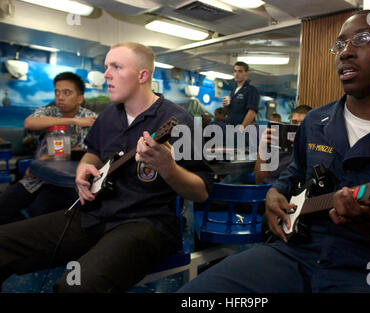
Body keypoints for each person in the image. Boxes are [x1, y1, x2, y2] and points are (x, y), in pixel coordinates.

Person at [178, 10, 370, 293]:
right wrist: (274, 193)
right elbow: (295, 173)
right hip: (297, 254)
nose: (345, 52)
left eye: (363, 38)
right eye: (340, 44)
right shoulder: (315, 121)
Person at [0, 42, 214, 293]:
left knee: (75, 286)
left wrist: (168, 168)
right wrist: (84, 167)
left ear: (142, 75)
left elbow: (201, 192)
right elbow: (93, 153)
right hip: (95, 214)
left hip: (146, 224)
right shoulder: (108, 116)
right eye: (106, 67)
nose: (106, 74)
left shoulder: (180, 121)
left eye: (116, 67)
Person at [0, 72, 96, 225]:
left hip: (66, 182)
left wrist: (46, 161)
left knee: (41, 215)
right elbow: (29, 123)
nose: (60, 97)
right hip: (36, 178)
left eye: (66, 92)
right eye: (57, 92)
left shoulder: (91, 118)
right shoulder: (49, 112)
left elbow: (88, 152)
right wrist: (74, 121)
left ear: (80, 98)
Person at [254, 105, 312, 184]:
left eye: (303, 123)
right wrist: (262, 150)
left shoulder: (313, 150)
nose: (298, 126)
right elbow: (259, 181)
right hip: (267, 189)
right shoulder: (275, 145)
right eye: (294, 122)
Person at [223, 61, 259, 129]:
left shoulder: (251, 90)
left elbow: (252, 112)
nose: (236, 74)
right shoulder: (233, 92)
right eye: (235, 71)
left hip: (242, 130)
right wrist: (225, 106)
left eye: (240, 71)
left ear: (246, 73)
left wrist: (242, 128)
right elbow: (229, 112)